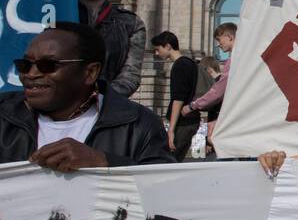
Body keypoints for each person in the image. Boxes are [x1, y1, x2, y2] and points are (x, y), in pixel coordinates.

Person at [0, 23, 172, 168]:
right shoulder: (3, 115)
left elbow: (164, 193)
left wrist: (104, 163)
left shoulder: (139, 125)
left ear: (90, 72)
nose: (31, 74)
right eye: (24, 65)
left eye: (47, 65)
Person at [76, 0, 145, 97]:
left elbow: (130, 77)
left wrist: (96, 99)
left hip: (105, 109)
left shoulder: (131, 24)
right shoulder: (56, 16)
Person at [151, 31, 201, 159]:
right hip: (190, 120)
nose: (156, 53)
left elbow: (178, 99)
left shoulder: (180, 65)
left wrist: (171, 130)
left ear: (168, 46)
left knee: (169, 159)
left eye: (158, 49)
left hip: (183, 123)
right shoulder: (190, 63)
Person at [183, 23, 237, 125]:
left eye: (219, 39)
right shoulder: (245, 54)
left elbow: (218, 91)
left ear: (229, 37)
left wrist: (192, 105)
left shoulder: (235, 59)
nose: (218, 44)